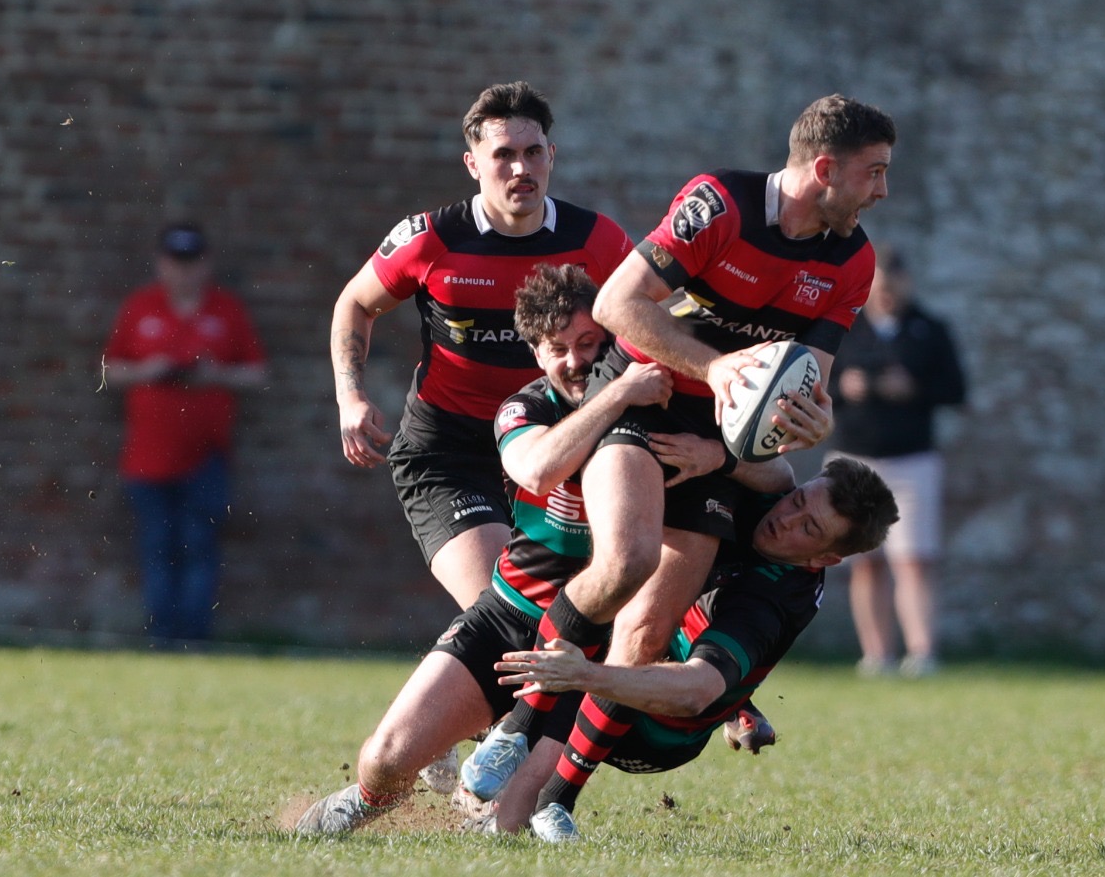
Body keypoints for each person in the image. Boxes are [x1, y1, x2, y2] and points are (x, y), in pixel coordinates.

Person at [463, 94, 896, 789]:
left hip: (716, 439)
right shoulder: (719, 205)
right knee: (628, 559)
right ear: (825, 170)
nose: (882, 190)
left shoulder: (853, 261)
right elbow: (617, 304)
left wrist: (810, 422)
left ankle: (551, 796)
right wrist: (716, 368)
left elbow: (805, 382)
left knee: (646, 630)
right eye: (874, 172)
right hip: (643, 396)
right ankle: (518, 723)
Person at [293, 262, 748, 835]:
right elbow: (536, 469)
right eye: (558, 348)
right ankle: (365, 800)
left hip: (590, 650)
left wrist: (718, 457)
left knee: (509, 821)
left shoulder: (663, 408)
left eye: (589, 343)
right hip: (510, 617)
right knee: (384, 761)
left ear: (612, 338)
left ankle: (506, 804)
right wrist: (617, 395)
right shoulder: (526, 406)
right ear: (535, 354)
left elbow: (767, 479)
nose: (576, 360)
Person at [329, 81, 632, 612]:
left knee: (584, 615)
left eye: (533, 153)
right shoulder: (430, 239)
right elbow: (355, 302)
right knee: (505, 610)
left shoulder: (598, 240)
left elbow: (648, 319)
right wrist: (350, 396)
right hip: (452, 452)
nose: (521, 169)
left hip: (556, 446)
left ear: (552, 156)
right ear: (473, 165)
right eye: (504, 155)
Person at [492, 456, 899, 841]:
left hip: (656, 730)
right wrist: (715, 454)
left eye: (808, 528)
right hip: (658, 654)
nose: (785, 519)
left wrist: (584, 675)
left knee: (582, 664)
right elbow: (774, 470)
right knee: (550, 622)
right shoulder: (768, 499)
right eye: (797, 500)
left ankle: (548, 802)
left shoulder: (770, 603)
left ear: (825, 558)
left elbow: (695, 691)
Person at [102, 221, 268, 643]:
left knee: (199, 546)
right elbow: (110, 370)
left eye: (191, 262)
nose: (184, 271)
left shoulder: (226, 310)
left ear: (206, 264)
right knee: (157, 547)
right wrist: (149, 370)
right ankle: (162, 635)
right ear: (161, 263)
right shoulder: (140, 307)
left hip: (206, 454)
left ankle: (193, 638)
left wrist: (214, 375)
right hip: (147, 456)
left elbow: (257, 374)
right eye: (176, 261)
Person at [829, 246, 968, 677]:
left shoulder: (930, 329)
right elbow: (814, 381)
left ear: (907, 283)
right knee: (864, 560)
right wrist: (844, 387)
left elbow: (956, 389)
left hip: (912, 459)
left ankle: (922, 653)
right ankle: (876, 655)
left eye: (894, 287)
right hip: (855, 459)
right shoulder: (844, 328)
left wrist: (912, 388)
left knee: (914, 558)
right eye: (880, 289)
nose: (887, 296)